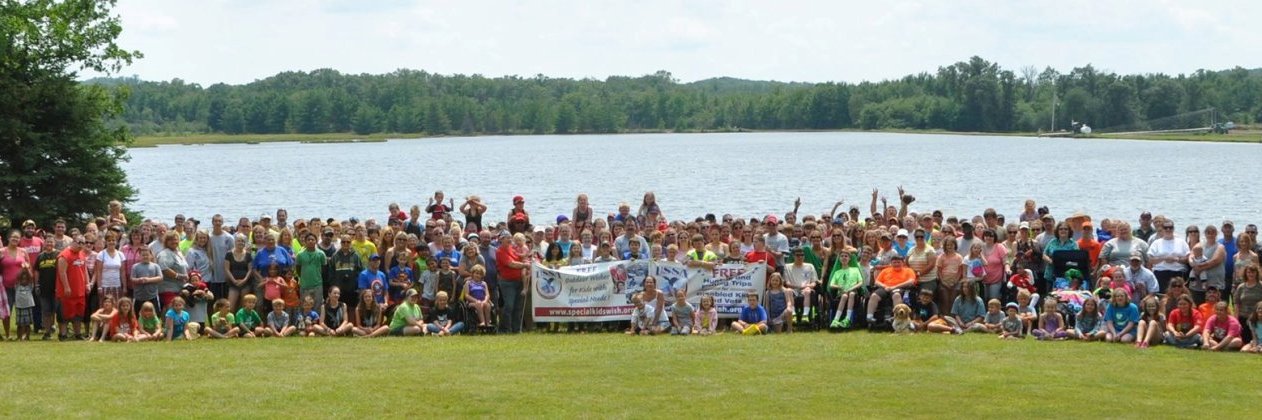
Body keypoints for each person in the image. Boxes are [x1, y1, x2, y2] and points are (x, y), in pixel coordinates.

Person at [865, 255, 916, 324]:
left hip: (900, 288)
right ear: (891, 263)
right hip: (885, 287)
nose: (896, 264)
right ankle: (869, 317)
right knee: (874, 295)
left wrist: (894, 287)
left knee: (896, 295)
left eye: (898, 262)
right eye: (894, 262)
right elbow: (877, 282)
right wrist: (885, 286)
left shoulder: (908, 270)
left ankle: (897, 318)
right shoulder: (885, 270)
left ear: (903, 263)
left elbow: (911, 281)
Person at [56, 234, 90, 340]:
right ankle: (63, 334)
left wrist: (87, 284)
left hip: (80, 291)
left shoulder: (82, 254)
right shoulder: (64, 255)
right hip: (67, 291)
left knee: (78, 314)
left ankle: (78, 334)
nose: (81, 245)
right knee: (65, 313)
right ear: (73, 241)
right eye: (79, 243)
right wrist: (66, 286)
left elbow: (84, 271)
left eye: (83, 243)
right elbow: (62, 272)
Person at [495, 233, 529, 334]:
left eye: (510, 238)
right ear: (501, 240)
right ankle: (505, 329)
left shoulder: (513, 248)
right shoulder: (500, 251)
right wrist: (524, 265)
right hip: (507, 282)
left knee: (518, 307)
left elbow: (522, 256)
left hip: (519, 281)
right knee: (509, 306)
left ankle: (516, 329)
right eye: (507, 238)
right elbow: (511, 264)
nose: (510, 240)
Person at [1147, 220, 1190, 293]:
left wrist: (1176, 259)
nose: (1168, 229)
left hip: (1178, 272)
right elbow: (1151, 260)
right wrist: (1164, 258)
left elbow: (1187, 258)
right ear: (1162, 229)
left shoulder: (1181, 242)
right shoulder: (1156, 243)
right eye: (1165, 228)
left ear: (1173, 229)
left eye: (1170, 227)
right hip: (1161, 272)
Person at [827, 247, 864, 329]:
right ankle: (836, 319)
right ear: (839, 259)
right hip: (841, 293)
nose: (844, 258)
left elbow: (861, 282)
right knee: (844, 296)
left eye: (846, 256)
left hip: (853, 293)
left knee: (851, 294)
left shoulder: (855, 270)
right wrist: (839, 287)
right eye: (842, 256)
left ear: (849, 259)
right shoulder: (837, 272)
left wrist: (851, 288)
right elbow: (831, 284)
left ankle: (847, 318)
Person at [783, 247, 818, 322]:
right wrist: (799, 287)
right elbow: (787, 283)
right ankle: (793, 314)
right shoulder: (787, 267)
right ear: (793, 256)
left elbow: (814, 282)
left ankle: (805, 315)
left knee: (807, 291)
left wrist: (808, 286)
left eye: (802, 255)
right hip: (793, 289)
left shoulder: (810, 266)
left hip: (806, 289)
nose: (800, 257)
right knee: (788, 290)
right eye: (798, 255)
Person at [296, 233, 328, 307]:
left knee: (318, 306)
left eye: (312, 239)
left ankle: (317, 319)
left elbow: (324, 268)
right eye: (308, 239)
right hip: (305, 285)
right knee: (305, 306)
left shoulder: (321, 254)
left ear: (316, 241)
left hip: (317, 285)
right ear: (305, 241)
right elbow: (298, 269)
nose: (310, 241)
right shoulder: (300, 255)